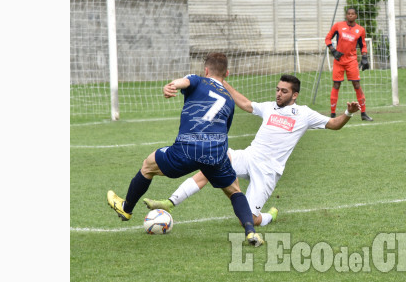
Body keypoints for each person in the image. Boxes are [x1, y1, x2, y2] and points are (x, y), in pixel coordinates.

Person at [143, 74, 360, 227]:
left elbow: (333, 124)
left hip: (268, 171)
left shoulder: (304, 114)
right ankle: (170, 202)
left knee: (247, 220)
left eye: (284, 91)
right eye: (277, 89)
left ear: (294, 95)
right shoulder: (269, 107)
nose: (278, 94)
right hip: (248, 156)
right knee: (212, 162)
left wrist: (348, 113)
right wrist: (222, 82)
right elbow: (246, 104)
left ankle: (268, 216)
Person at [106, 52, 263, 247]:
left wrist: (171, 86)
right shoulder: (230, 100)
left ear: (206, 70)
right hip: (216, 153)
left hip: (188, 148)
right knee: (234, 190)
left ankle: (126, 208)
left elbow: (182, 82)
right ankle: (250, 233)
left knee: (148, 165)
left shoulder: (197, 80)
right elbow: (223, 129)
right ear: (227, 74)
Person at [325, 7, 373, 121]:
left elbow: (363, 45)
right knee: (336, 85)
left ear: (356, 16)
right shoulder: (338, 26)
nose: (350, 15)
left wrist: (365, 57)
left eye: (353, 14)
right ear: (346, 16)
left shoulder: (360, 30)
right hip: (339, 61)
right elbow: (327, 39)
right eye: (349, 14)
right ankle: (332, 115)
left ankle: (363, 113)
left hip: (352, 61)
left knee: (357, 85)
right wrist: (333, 50)